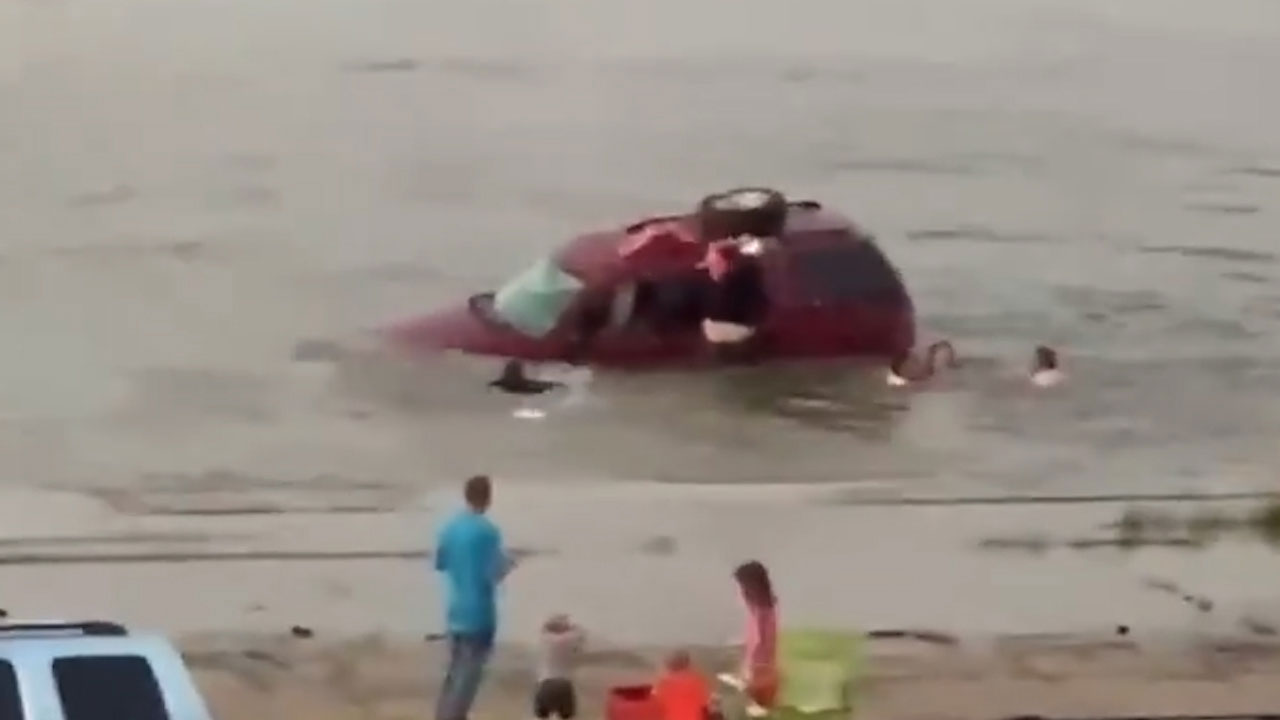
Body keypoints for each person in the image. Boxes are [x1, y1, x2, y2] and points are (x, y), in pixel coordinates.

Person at [434, 475, 516, 720]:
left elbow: (441, 563)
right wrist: (508, 565)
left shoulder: (450, 527)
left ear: (466, 495)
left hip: (455, 611)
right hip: (480, 614)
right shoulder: (488, 531)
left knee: (453, 675)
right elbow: (493, 573)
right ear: (488, 498)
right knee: (467, 681)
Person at [700, 240, 770, 362]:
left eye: (714, 261)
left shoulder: (729, 281)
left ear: (725, 261)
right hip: (742, 327)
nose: (709, 264)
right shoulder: (749, 275)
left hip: (727, 328)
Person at [729, 560, 779, 709]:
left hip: (760, 667)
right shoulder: (765, 609)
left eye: (741, 587)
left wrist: (747, 671)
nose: (739, 592)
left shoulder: (761, 612)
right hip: (761, 667)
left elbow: (760, 642)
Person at [533, 614, 585, 719]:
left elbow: (544, 628)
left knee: (542, 716)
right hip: (564, 684)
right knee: (566, 716)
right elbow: (580, 633)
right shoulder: (571, 639)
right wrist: (571, 626)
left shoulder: (544, 639)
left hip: (545, 684)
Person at [652, 649, 714, 720]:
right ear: (687, 664)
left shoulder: (663, 684)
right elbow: (705, 704)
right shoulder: (698, 681)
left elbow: (657, 707)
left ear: (670, 664)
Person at [886, 340, 959, 386]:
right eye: (909, 372)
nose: (912, 371)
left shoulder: (932, 357)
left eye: (912, 365)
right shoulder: (919, 382)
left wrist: (951, 361)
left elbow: (945, 344)